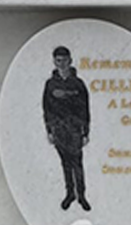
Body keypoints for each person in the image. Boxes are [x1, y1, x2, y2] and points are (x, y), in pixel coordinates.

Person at [42, 46, 91, 211]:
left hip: (75, 130)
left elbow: (85, 109)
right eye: (58, 60)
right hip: (58, 130)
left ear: (70, 61)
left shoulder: (78, 84)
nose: (61, 63)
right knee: (65, 163)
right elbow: (46, 109)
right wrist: (49, 131)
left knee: (77, 163)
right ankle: (70, 194)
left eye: (64, 60)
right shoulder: (50, 85)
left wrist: (86, 132)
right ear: (54, 62)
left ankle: (81, 196)